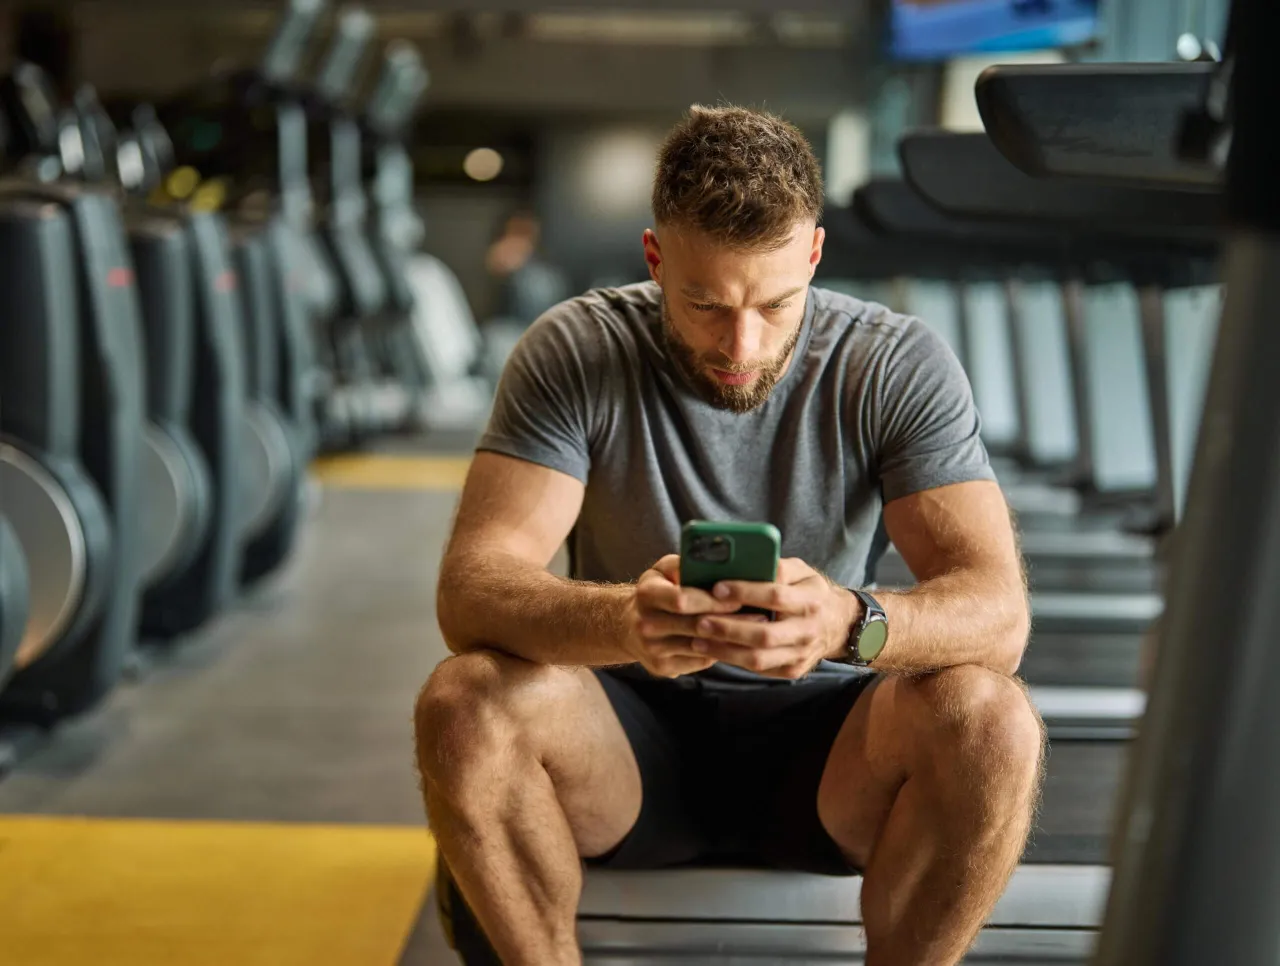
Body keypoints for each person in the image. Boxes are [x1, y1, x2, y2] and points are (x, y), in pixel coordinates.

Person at [416, 105, 1044, 966]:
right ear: (655, 258)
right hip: (625, 747)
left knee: (993, 718)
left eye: (776, 304)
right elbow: (473, 589)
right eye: (704, 303)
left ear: (815, 257)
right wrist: (623, 623)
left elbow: (998, 615)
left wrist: (844, 622)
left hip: (832, 756)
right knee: (465, 701)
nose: (740, 345)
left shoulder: (893, 363)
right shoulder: (574, 349)